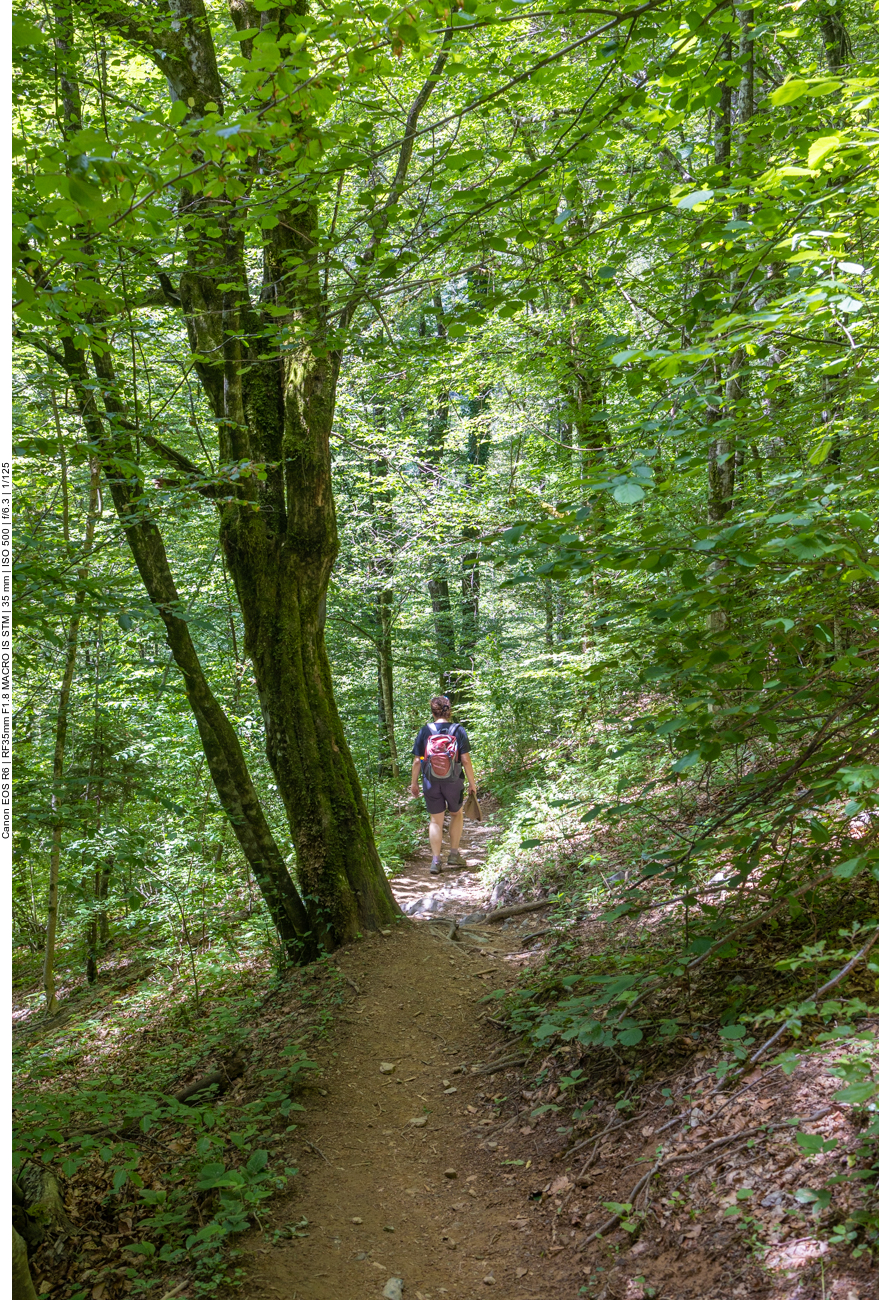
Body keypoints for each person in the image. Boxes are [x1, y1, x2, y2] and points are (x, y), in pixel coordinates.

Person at [410, 695, 477, 875]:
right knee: (456, 814)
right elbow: (465, 760)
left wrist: (414, 783)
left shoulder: (425, 731)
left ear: (432, 711)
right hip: (454, 780)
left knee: (435, 820)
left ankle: (436, 861)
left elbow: (418, 761)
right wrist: (472, 783)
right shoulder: (457, 730)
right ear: (450, 711)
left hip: (430, 780)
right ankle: (454, 854)